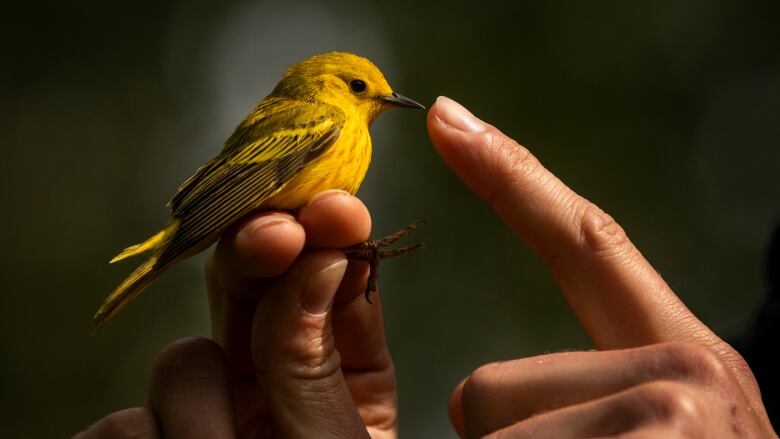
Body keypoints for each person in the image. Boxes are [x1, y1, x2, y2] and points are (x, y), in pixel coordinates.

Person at [76, 97, 778, 438]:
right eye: (361, 88)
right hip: (243, 220)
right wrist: (181, 240)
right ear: (333, 88)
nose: (376, 104)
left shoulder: (343, 125)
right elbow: (248, 176)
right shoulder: (319, 117)